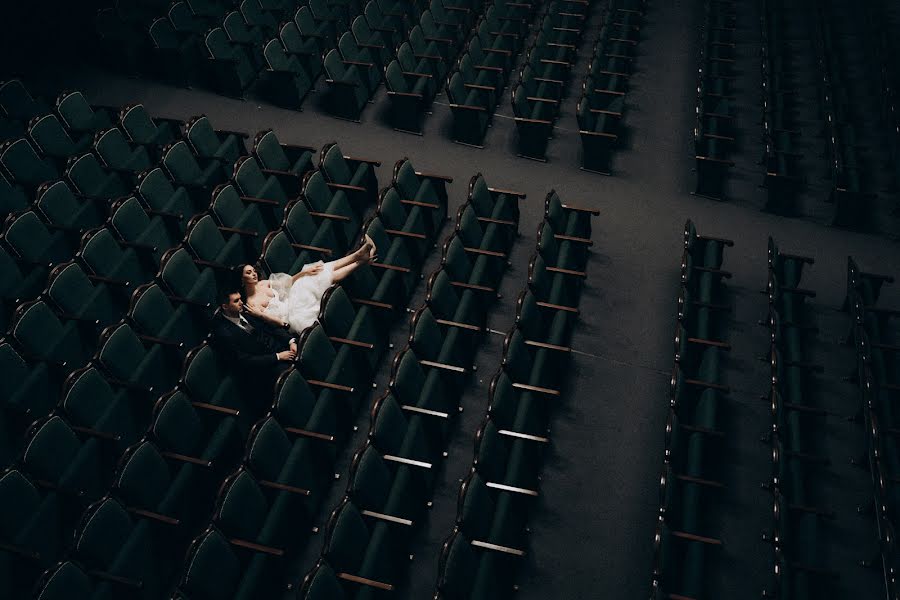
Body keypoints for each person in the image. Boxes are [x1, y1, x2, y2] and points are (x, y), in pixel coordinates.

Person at [241, 235, 377, 335]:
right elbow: (272, 321)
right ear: (242, 279)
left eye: (253, 271)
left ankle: (359, 257)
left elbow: (287, 283)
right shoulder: (251, 303)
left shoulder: (263, 283)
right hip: (292, 315)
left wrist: (304, 273)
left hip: (293, 298)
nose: (254, 274)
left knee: (314, 273)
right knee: (311, 280)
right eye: (249, 273)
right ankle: (359, 258)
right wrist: (262, 316)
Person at [212, 288, 297, 389]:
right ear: (225, 306)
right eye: (236, 301)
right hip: (266, 367)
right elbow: (244, 360)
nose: (241, 303)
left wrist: (290, 341)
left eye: (240, 299)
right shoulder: (223, 333)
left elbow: (271, 328)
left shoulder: (247, 313)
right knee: (292, 377)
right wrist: (277, 357)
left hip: (281, 348)